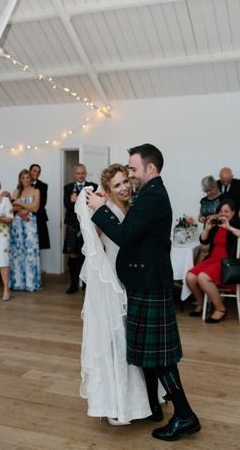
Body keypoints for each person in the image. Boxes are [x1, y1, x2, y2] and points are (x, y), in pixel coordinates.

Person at [88, 144, 200, 440]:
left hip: (148, 282)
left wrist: (100, 210)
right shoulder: (149, 193)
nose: (131, 175)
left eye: (133, 169)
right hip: (144, 282)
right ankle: (156, 406)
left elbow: (125, 235)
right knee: (150, 354)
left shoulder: (153, 195)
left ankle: (185, 416)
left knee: (160, 356)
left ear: (150, 168)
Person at [76, 163, 152, 426]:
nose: (124, 187)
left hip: (130, 278)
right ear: (107, 190)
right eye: (117, 185)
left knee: (130, 340)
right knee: (116, 340)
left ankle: (138, 402)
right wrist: (93, 212)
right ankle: (115, 403)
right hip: (113, 280)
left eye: (125, 182)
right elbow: (95, 241)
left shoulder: (132, 205)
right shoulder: (105, 208)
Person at [184, 198, 240, 322]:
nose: (223, 214)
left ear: (233, 212)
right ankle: (201, 304)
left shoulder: (237, 223)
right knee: (190, 277)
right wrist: (207, 228)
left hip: (226, 262)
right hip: (212, 259)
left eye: (226, 211)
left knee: (202, 277)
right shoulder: (216, 224)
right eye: (221, 211)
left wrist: (229, 228)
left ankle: (220, 309)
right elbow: (203, 241)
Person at [63, 163, 96, 293]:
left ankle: (87, 284)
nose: (80, 175)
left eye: (83, 173)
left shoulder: (93, 186)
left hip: (88, 224)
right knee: (73, 255)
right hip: (72, 224)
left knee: (87, 254)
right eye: (78, 173)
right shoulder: (68, 187)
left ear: (86, 173)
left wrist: (76, 200)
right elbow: (68, 205)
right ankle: (73, 284)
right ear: (74, 174)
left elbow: (93, 205)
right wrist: (83, 201)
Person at [9, 169, 42, 292]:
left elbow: (36, 209)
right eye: (23, 178)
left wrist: (20, 204)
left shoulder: (36, 191)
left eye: (27, 178)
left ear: (31, 179)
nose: (25, 180)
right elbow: (12, 208)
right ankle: (18, 283)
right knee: (18, 250)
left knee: (30, 250)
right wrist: (28, 206)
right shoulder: (17, 191)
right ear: (20, 179)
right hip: (18, 224)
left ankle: (30, 283)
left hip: (30, 224)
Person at [27, 164, 50, 252]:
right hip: (24, 219)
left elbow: (42, 204)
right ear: (30, 171)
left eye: (38, 172)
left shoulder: (43, 186)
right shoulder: (23, 184)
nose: (36, 173)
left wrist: (26, 209)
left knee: (37, 245)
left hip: (38, 218)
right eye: (34, 171)